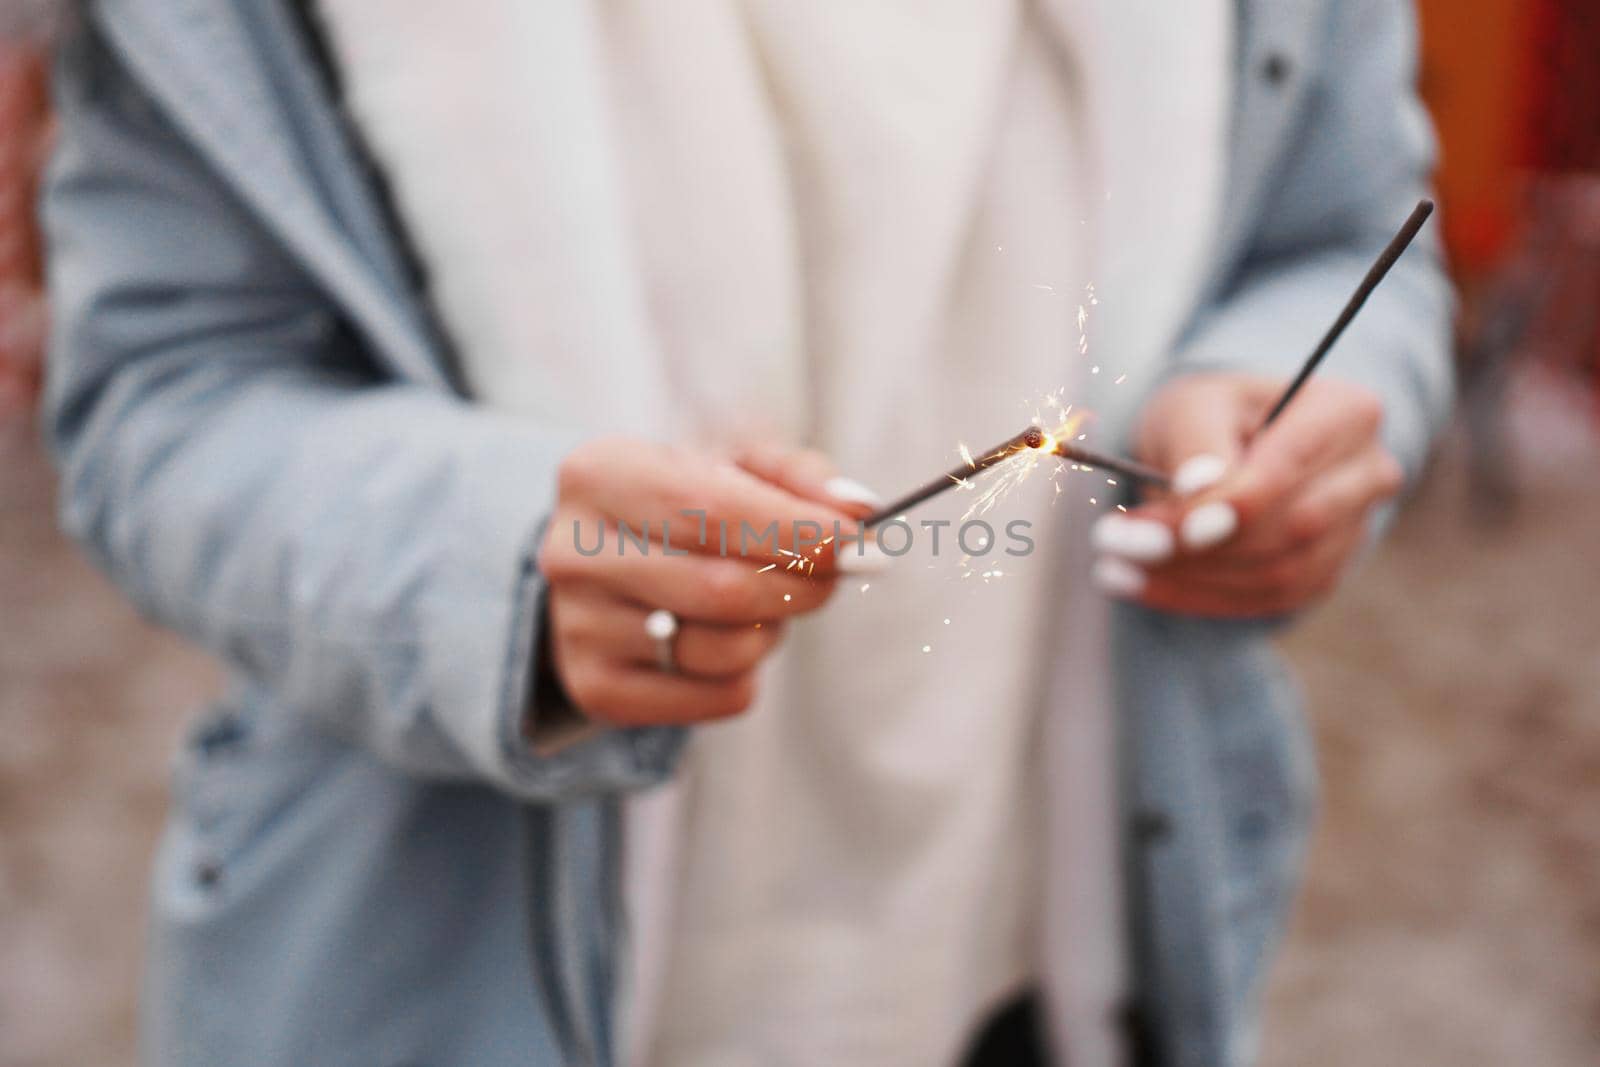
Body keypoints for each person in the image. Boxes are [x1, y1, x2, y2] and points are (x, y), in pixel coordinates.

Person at [41, 2, 1452, 1066]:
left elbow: (1349, 237)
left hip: (1056, 960)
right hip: (460, 983)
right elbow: (165, 389)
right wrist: (496, 569)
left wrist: (1295, 398)